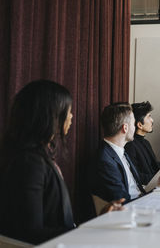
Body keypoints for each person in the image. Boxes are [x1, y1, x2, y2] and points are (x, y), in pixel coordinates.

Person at [0, 80, 123, 245]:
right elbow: (31, 232)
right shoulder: (30, 163)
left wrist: (99, 221)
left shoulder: (36, 157)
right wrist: (92, 229)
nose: (71, 117)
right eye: (68, 111)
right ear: (51, 115)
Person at [90, 103, 160, 203]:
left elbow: (138, 189)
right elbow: (123, 203)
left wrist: (157, 186)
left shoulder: (120, 151)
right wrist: (158, 187)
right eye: (133, 124)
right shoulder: (105, 161)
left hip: (143, 199)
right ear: (125, 128)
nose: (135, 128)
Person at [125, 101, 160, 185]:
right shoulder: (130, 145)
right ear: (140, 125)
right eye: (149, 117)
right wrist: (159, 179)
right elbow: (136, 176)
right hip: (148, 186)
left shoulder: (146, 142)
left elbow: (157, 167)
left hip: (157, 181)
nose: (152, 120)